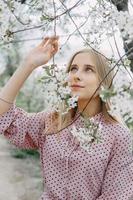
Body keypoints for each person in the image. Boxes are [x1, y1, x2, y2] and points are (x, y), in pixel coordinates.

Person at [0, 36, 133, 200]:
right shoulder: (52, 121)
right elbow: (5, 117)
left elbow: (117, 195)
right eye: (73, 68)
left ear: (104, 82)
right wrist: (29, 64)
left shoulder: (119, 136)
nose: (76, 75)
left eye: (89, 69)